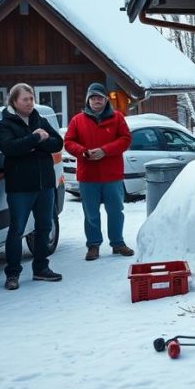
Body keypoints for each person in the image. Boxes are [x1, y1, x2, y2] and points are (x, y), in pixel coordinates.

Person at [0, 83, 64, 290]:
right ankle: (12, 274)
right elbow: (10, 148)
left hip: (45, 185)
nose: (29, 103)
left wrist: (33, 143)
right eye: (25, 99)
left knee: (44, 227)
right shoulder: (5, 125)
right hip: (20, 188)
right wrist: (35, 138)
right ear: (14, 101)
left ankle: (41, 268)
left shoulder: (40, 119)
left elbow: (57, 143)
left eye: (31, 98)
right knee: (17, 231)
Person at [64, 82, 134, 260]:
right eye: (93, 97)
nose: (97, 100)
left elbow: (126, 139)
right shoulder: (77, 120)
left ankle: (118, 243)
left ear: (105, 100)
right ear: (88, 100)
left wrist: (105, 150)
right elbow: (68, 142)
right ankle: (93, 245)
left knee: (116, 211)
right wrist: (83, 152)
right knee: (91, 213)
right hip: (89, 176)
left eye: (100, 97)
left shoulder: (117, 118)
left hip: (112, 176)